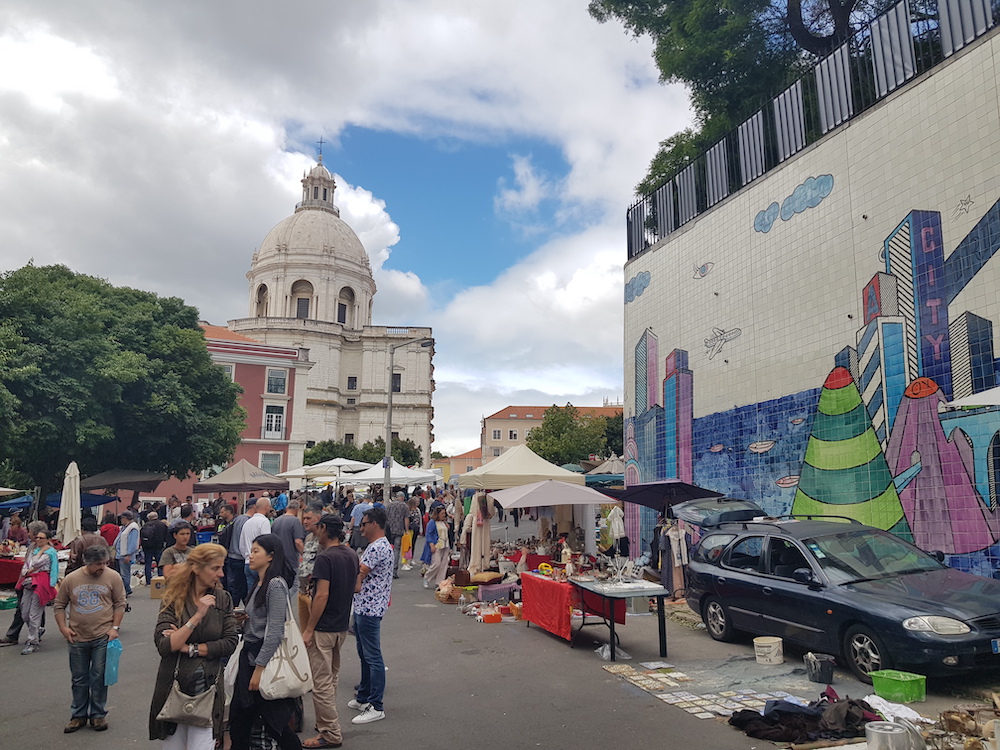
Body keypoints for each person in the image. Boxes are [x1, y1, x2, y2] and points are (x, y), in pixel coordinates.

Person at [149, 543, 238, 750]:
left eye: (221, 568)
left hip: (207, 690)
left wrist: (188, 648)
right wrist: (197, 616)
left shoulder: (223, 599)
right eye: (215, 568)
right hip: (174, 687)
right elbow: (164, 644)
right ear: (197, 568)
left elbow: (230, 643)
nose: (221, 574)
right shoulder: (173, 598)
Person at [229, 534, 302, 750]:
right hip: (250, 657)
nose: (250, 556)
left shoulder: (275, 585)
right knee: (242, 721)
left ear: (271, 556)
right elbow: (262, 622)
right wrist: (244, 620)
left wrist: (259, 668)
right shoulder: (260, 583)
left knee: (275, 725)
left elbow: (275, 631)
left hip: (262, 661)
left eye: (255, 551)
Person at [54, 544, 127, 733]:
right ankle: (78, 715)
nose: (101, 567)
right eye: (97, 564)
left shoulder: (113, 577)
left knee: (99, 676)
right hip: (77, 636)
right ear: (88, 562)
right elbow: (59, 605)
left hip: (103, 635)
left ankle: (98, 714)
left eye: (104, 563)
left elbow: (120, 604)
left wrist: (115, 628)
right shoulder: (72, 579)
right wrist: (63, 627)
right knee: (79, 678)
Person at [301, 515, 358, 749]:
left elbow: (322, 595)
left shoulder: (325, 558)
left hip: (324, 625)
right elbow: (357, 586)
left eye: (318, 528)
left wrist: (309, 628)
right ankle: (326, 722)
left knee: (322, 681)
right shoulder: (352, 554)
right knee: (331, 677)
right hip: (341, 624)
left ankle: (330, 731)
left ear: (324, 529)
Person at [348, 506, 392, 726]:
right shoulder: (379, 545)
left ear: (374, 524)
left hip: (369, 607)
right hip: (368, 606)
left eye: (364, 524)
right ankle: (364, 696)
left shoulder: (377, 547)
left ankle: (376, 705)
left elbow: (360, 572)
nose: (361, 528)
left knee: (372, 656)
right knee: (365, 654)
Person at [16, 526, 60, 655]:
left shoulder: (49, 553)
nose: (38, 540)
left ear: (48, 539)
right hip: (29, 581)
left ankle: (32, 641)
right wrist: (26, 571)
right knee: (24, 612)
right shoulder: (34, 550)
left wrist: (40, 552)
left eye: (41, 538)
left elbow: (35, 563)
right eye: (37, 537)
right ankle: (37, 630)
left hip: (41, 583)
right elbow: (27, 566)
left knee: (34, 613)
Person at [270, 499, 305, 597]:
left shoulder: (276, 521)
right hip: (291, 559)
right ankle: (282, 601)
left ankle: (280, 601)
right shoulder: (295, 521)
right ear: (297, 509)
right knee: (294, 585)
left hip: (278, 558)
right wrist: (304, 554)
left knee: (280, 584)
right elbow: (298, 541)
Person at [239, 497, 272, 601]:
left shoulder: (247, 522)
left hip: (248, 562)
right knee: (262, 595)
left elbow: (241, 545)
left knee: (251, 595)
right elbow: (267, 543)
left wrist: (248, 556)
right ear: (266, 507)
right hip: (261, 564)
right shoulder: (264, 522)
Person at [296, 505, 322, 628]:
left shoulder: (323, 539)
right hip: (302, 590)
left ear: (318, 518)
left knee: (314, 631)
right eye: (304, 518)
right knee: (304, 630)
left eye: (308, 518)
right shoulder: (308, 537)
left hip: (313, 592)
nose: (305, 521)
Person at [222, 503, 249, 606]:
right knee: (239, 586)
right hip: (239, 557)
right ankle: (235, 608)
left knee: (234, 585)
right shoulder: (244, 521)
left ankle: (233, 607)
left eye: (222, 511)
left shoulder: (234, 522)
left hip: (231, 556)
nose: (220, 514)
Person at [420, 506, 450, 590]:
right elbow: (429, 533)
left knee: (444, 564)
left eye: (444, 513)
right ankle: (427, 577)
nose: (444, 515)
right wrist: (431, 544)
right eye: (442, 513)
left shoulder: (443, 522)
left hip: (445, 544)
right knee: (436, 564)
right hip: (437, 545)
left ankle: (439, 581)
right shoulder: (432, 522)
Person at [115, 510, 141, 595]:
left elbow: (132, 543)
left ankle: (126, 589)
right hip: (121, 553)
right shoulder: (126, 527)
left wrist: (129, 554)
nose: (121, 520)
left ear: (125, 518)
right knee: (123, 573)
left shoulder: (132, 528)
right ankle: (126, 589)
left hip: (125, 554)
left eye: (122, 518)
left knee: (125, 574)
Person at [141, 511, 170, 584]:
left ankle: (148, 581)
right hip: (159, 546)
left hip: (148, 547)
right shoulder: (162, 525)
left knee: (148, 564)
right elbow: (167, 536)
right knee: (160, 563)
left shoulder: (146, 525)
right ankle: (160, 579)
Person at [385, 491, 409, 579]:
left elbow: (385, 517)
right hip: (399, 530)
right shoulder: (404, 506)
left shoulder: (389, 505)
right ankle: (394, 570)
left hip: (388, 530)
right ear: (402, 497)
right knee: (396, 550)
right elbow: (406, 519)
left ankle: (387, 569)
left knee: (388, 549)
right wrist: (406, 530)